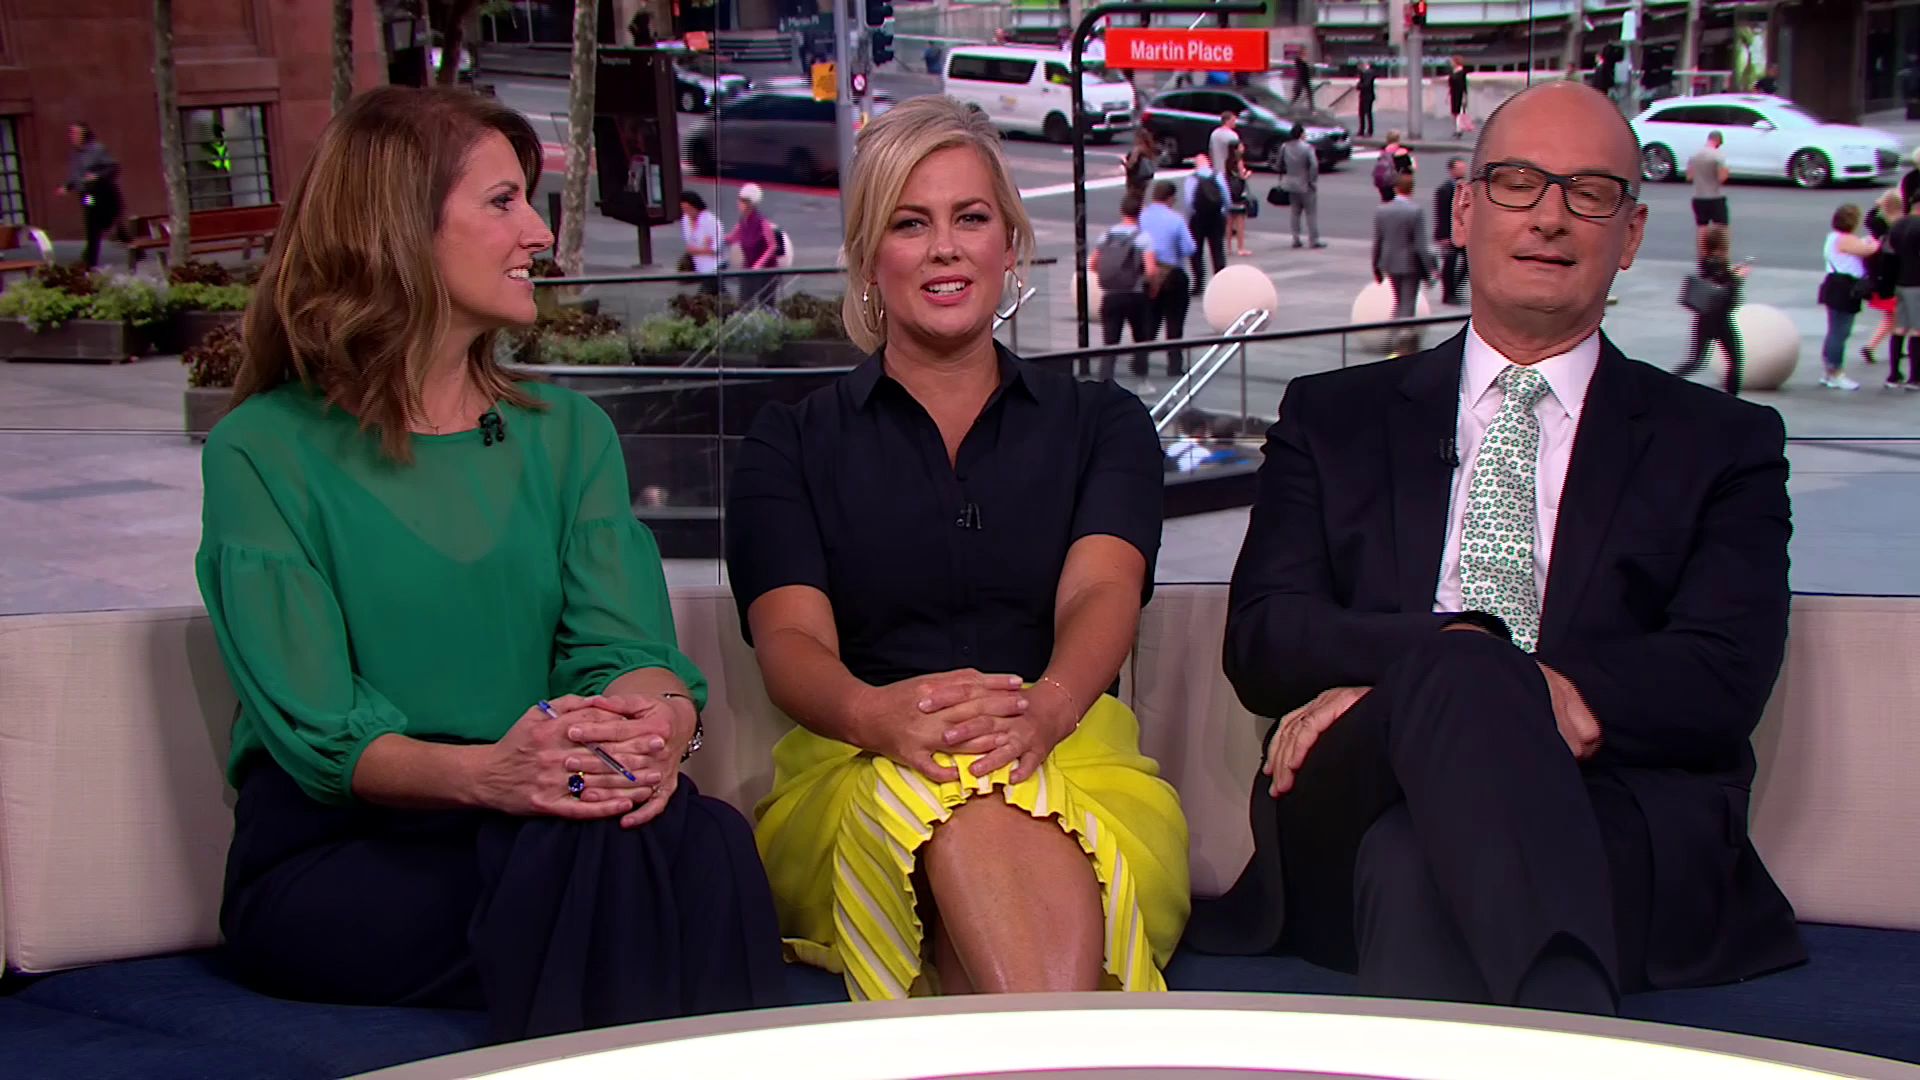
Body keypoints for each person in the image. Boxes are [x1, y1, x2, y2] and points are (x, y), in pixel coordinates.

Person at [1189, 79, 1805, 1017]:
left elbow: (1722, 674)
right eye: (1519, 183)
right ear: (1466, 211)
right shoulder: (1332, 417)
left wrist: (1472, 683)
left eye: (1588, 192)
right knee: (1465, 664)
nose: (1550, 216)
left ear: (1630, 234)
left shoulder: (1723, 442)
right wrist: (1458, 659)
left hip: (1614, 812)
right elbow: (1265, 638)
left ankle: (1550, 1021)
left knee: (1413, 865)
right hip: (1348, 795)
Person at [199, 87, 786, 1043]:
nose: (539, 235)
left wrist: (657, 727)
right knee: (633, 855)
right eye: (504, 202)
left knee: (690, 835)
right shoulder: (262, 451)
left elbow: (625, 652)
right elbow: (322, 735)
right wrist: (495, 777)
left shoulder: (569, 436)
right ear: (400, 226)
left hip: (544, 817)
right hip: (348, 850)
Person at [725, 95, 1190, 1001]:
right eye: (911, 224)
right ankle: (1066, 1052)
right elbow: (791, 643)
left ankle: (1026, 1046)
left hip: (1071, 751)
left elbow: (1101, 594)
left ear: (1009, 244)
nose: (945, 248)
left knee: (992, 790)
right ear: (869, 257)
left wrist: (1045, 711)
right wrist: (880, 719)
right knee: (953, 792)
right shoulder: (790, 443)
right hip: (858, 762)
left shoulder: (1103, 424)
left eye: (970, 218)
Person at [1089, 191, 1160, 385]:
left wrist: (1112, 276)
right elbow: (1151, 270)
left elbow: (1093, 263)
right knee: (1140, 340)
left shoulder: (1107, 236)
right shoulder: (1143, 237)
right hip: (1134, 294)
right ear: (1140, 213)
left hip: (1111, 295)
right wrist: (1151, 286)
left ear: (1122, 211)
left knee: (1110, 342)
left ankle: (1105, 382)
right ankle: (1142, 381)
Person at [1674, 223, 1747, 395]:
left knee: (1696, 361)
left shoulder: (1706, 261)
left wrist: (1732, 274)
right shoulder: (1718, 263)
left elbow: (1716, 282)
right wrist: (1738, 277)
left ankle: (1670, 382)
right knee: (1735, 361)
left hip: (1704, 318)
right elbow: (1725, 289)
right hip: (1719, 319)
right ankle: (1732, 398)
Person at [1139, 179, 1198, 377]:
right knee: (1174, 323)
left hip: (1148, 273)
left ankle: (1140, 361)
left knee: (1149, 320)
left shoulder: (1142, 217)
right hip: (1172, 274)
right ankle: (1174, 365)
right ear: (1170, 198)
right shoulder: (1176, 220)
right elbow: (1189, 248)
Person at [1372, 172, 1434, 355]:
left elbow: (1378, 241)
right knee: (1407, 304)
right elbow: (1420, 245)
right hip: (1409, 264)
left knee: (1399, 301)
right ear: (1411, 189)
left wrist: (1376, 266)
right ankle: (1402, 344)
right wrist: (1430, 269)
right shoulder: (1415, 211)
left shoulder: (1382, 210)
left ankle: (1392, 336)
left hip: (1389, 262)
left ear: (1395, 188)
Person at [1819, 203, 1877, 391]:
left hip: (1834, 285)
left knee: (1835, 330)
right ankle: (1836, 372)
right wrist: (1875, 241)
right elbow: (1869, 250)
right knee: (1840, 332)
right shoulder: (1846, 239)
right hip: (1844, 288)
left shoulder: (1833, 237)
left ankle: (1829, 371)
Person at [56, 122, 127, 269]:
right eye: (71, 133)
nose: (72, 136)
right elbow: (77, 175)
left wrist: (97, 176)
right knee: (91, 220)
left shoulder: (97, 149)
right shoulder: (75, 154)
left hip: (104, 192)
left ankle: (130, 245)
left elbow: (113, 167)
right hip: (88, 194)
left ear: (84, 135)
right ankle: (90, 259)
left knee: (109, 221)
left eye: (76, 133)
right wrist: (67, 187)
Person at [1878, 190, 1920, 390]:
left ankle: (1894, 374)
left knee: (1900, 328)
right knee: (1917, 330)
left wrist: (1887, 286)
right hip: (1917, 284)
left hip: (1900, 284)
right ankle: (1915, 377)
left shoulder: (1897, 226)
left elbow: (1888, 257)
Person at [1861, 189, 1903, 373]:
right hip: (1895, 281)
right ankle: (1872, 346)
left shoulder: (1878, 225)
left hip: (1880, 280)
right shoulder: (1899, 226)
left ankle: (1878, 345)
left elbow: (1868, 219)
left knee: (1892, 317)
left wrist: (1876, 206)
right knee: (1895, 317)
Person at [723, 183, 783, 305]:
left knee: (765, 304)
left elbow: (772, 246)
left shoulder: (762, 222)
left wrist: (759, 264)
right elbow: (732, 238)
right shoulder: (742, 221)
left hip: (766, 271)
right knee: (744, 302)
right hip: (748, 268)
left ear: (750, 204)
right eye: (739, 200)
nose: (738, 203)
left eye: (742, 201)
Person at [1184, 153, 1229, 296]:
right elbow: (1226, 196)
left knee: (1196, 251)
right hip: (1216, 216)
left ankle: (1199, 282)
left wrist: (1191, 216)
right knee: (1217, 249)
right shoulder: (1218, 176)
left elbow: (1189, 201)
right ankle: (1220, 282)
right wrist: (1224, 211)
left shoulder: (1192, 179)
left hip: (1198, 218)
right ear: (1209, 163)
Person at [1278, 125, 1325, 251]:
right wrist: (1312, 180)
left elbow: (1279, 164)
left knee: (1295, 212)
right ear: (1301, 134)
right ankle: (1313, 240)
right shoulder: (1307, 148)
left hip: (1291, 183)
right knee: (1310, 213)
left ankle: (1296, 238)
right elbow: (1314, 165)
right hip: (1305, 183)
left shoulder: (1285, 147)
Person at [1431, 156, 1468, 305]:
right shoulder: (1444, 190)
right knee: (1449, 264)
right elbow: (1441, 214)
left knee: (1468, 262)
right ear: (1452, 170)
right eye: (1460, 168)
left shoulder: (1466, 187)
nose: (1463, 171)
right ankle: (1448, 294)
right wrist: (1443, 236)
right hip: (1449, 233)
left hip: (1462, 232)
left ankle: (1456, 289)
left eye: (1464, 168)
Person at [1687, 132, 1731, 244]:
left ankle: (1702, 253)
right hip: (1715, 197)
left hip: (1698, 197)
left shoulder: (1694, 155)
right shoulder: (1718, 156)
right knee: (1721, 228)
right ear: (1718, 141)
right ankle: (1720, 253)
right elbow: (1722, 177)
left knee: (1702, 227)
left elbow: (1690, 176)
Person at [679, 189, 722, 295]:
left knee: (704, 296)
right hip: (700, 268)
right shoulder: (685, 220)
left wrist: (697, 250)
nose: (687, 213)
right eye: (684, 209)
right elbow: (690, 245)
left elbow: (714, 250)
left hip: (713, 267)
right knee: (717, 295)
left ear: (696, 206)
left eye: (688, 209)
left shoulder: (711, 221)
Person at [1223, 142, 1253, 257]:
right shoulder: (1239, 161)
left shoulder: (1228, 161)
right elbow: (1242, 176)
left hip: (1230, 192)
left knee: (1229, 222)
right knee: (1240, 222)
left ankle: (1228, 248)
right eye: (1241, 146)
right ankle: (1241, 248)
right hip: (1238, 193)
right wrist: (1248, 174)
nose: (1243, 148)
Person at [1374, 132, 1415, 203]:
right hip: (1396, 182)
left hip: (1384, 182)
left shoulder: (1383, 152)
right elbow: (1408, 169)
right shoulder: (1402, 152)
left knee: (1386, 202)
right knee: (1397, 203)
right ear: (1398, 139)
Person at [1122, 127, 1158, 200]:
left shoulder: (1138, 149)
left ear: (1139, 138)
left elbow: (1132, 163)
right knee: (1141, 196)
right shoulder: (1150, 149)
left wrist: (1125, 164)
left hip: (1135, 177)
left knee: (1132, 197)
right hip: (1146, 177)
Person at [1208, 111, 1241, 183]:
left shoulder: (1214, 133)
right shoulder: (1233, 135)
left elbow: (1210, 152)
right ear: (1227, 121)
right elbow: (1237, 156)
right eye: (1233, 120)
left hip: (1215, 172)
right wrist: (1241, 172)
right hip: (1227, 174)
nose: (1235, 123)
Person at [1448, 56, 1471, 136]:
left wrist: (1465, 96)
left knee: (1459, 111)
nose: (1451, 63)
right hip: (1453, 93)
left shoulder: (1462, 72)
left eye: (1452, 62)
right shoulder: (1453, 71)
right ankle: (1457, 128)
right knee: (1454, 112)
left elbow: (1464, 85)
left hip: (1460, 93)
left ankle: (1459, 129)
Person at [1356, 63, 1378, 138]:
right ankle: (1363, 130)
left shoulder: (1368, 73)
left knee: (1367, 114)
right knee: (1363, 113)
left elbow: (1366, 84)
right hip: (1365, 95)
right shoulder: (1366, 73)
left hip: (1367, 96)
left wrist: (1359, 86)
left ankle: (1368, 130)